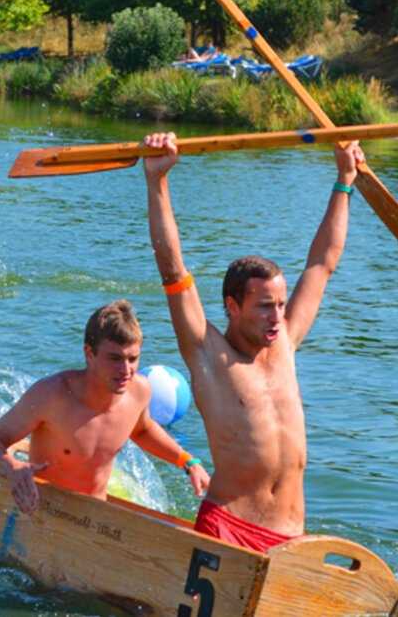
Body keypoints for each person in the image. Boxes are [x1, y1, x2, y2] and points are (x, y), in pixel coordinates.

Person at [142, 131, 363, 552]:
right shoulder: (207, 353)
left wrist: (344, 179)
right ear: (232, 306)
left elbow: (322, 264)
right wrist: (158, 180)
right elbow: (172, 270)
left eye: (280, 304)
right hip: (229, 529)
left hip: (292, 539)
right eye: (264, 306)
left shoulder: (285, 343)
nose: (277, 316)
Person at [0, 299, 210, 515]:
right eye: (114, 359)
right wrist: (12, 468)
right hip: (40, 513)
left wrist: (188, 461)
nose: (126, 370)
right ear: (89, 354)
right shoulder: (52, 395)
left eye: (133, 359)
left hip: (93, 519)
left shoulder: (140, 391)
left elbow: (143, 430)